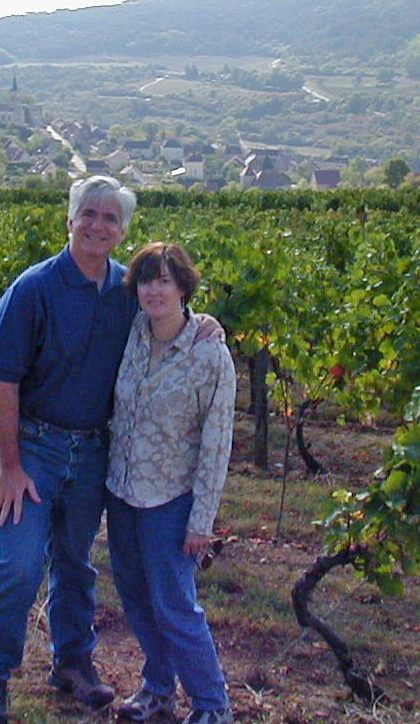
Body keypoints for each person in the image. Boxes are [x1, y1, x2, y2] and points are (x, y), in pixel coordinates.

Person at [0, 177, 221, 724]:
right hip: (32, 447)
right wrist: (9, 467)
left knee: (76, 564)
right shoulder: (32, 290)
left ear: (123, 230)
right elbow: (3, 382)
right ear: (70, 220)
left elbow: (169, 317)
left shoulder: (127, 292)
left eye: (110, 219)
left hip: (91, 454)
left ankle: (73, 664)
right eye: (89, 214)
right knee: (18, 564)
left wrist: (205, 324)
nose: (98, 226)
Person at [106, 242, 235, 724]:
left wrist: (202, 519)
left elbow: (217, 444)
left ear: (183, 286)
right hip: (121, 492)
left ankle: (212, 704)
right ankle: (158, 690)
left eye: (163, 280)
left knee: (175, 606)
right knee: (136, 598)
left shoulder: (209, 354)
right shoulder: (131, 332)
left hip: (170, 500)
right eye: (146, 280)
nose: (153, 290)